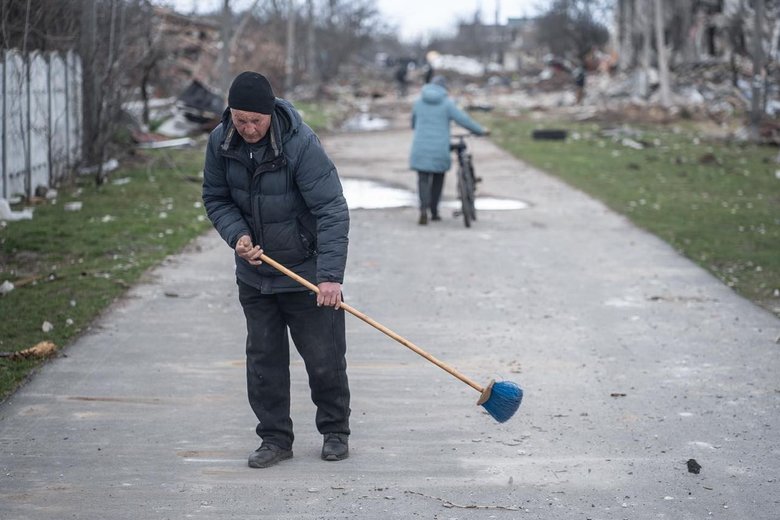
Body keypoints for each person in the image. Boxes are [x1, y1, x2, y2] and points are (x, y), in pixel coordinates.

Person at [202, 71, 351, 468]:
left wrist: (330, 277)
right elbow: (215, 197)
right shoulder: (220, 142)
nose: (249, 129)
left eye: (256, 120)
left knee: (324, 358)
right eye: (241, 120)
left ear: (270, 113)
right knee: (264, 362)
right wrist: (237, 236)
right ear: (230, 114)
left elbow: (331, 209)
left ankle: (335, 431)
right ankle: (274, 439)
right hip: (256, 276)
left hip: (306, 273)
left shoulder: (300, 144)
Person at [409, 75, 487, 225]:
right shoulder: (447, 104)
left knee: (423, 179)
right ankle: (434, 211)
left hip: (420, 148)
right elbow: (464, 120)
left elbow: (413, 124)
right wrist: (480, 131)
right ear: (444, 88)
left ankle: (423, 210)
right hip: (440, 148)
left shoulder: (418, 103)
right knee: (438, 178)